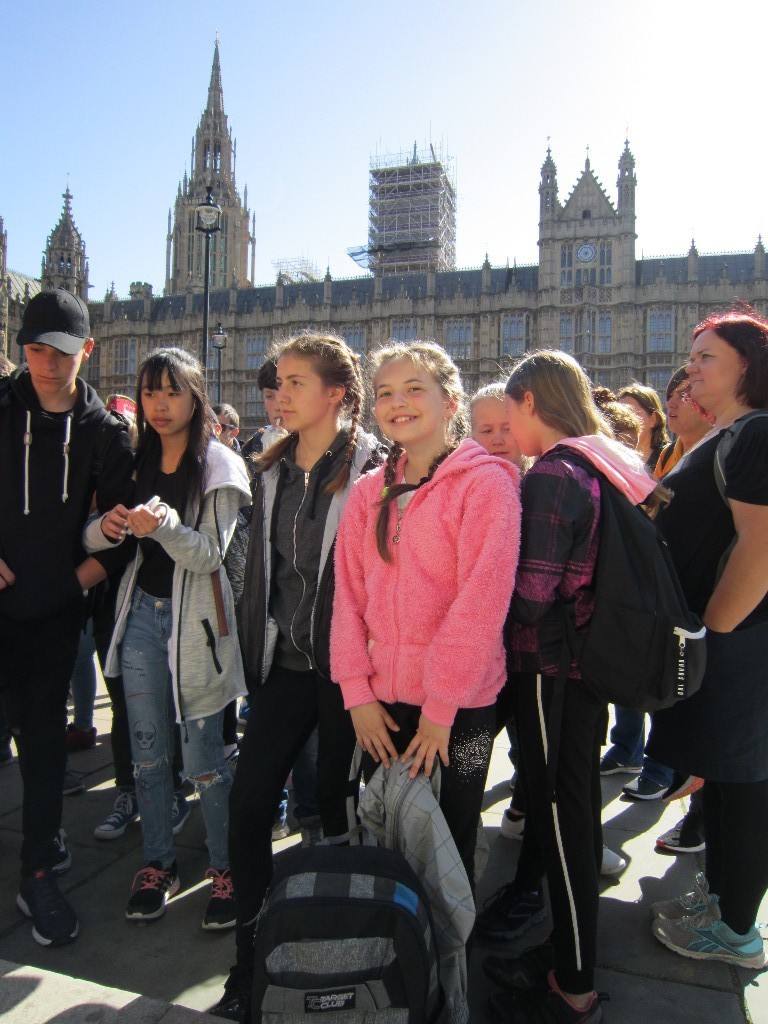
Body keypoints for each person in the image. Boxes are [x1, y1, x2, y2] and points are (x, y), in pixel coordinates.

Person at [485, 350, 660, 1024]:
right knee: (577, 815)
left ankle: (575, 987)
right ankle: (568, 953)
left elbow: (532, 597)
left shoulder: (554, 474)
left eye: (510, 412)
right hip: (590, 668)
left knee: (560, 824)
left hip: (550, 672)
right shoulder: (607, 458)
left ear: (530, 401)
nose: (507, 427)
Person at [215, 333, 384, 1022]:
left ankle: (345, 952)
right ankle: (249, 957)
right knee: (249, 806)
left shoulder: (376, 471)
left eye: (293, 383)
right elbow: (261, 570)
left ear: (336, 393)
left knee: (340, 814)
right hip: (285, 664)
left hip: (350, 673)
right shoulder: (269, 469)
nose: (278, 395)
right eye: (278, 383)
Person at [331, 342, 521, 892]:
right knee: (387, 829)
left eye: (415, 389)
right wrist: (356, 694)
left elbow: (480, 605)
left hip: (463, 709)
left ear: (450, 401)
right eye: (385, 393)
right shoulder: (367, 492)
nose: (398, 403)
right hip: (382, 707)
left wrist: (441, 708)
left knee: (452, 836)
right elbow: (347, 597)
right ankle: (397, 938)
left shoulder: (486, 484)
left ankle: (451, 943)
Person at [91, 347, 251, 928]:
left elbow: (208, 556)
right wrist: (106, 528)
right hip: (140, 618)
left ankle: (227, 867)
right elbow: (92, 539)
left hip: (197, 628)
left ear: (195, 397)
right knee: (148, 753)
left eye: (172, 392)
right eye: (150, 392)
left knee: (206, 760)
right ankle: (159, 862)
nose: (160, 404)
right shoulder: (135, 461)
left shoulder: (220, 467)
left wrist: (165, 527)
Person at [0, 288, 134, 946]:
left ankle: (38, 870)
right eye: (35, 351)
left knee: (45, 747)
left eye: (60, 352)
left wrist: (67, 586)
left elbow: (121, 538)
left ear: (87, 350)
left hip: (52, 617)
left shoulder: (106, 435)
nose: (47, 365)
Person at [647, 306, 768, 970]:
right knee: (720, 776)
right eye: (691, 356)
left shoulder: (756, 434)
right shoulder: (729, 434)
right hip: (724, 639)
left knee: (745, 783)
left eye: (706, 358)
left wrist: (711, 634)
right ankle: (722, 899)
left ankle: (739, 932)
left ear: (747, 366)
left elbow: (761, 547)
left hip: (741, 643)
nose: (690, 368)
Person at [600, 382, 674, 800]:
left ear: (653, 419)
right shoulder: (609, 458)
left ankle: (661, 766)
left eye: (635, 412)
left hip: (655, 579)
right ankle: (626, 748)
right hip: (623, 580)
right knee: (626, 668)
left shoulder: (665, 458)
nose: (625, 419)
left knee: (658, 676)